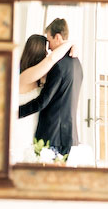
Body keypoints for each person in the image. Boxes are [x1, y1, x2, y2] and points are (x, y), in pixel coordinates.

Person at [19, 18, 84, 158]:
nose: (48, 49)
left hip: (52, 132)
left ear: (58, 37)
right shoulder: (77, 63)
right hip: (67, 133)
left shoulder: (58, 65)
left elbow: (43, 101)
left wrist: (15, 113)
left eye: (49, 40)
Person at [13, 34, 75, 162]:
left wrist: (73, 47)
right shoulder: (26, 75)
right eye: (46, 51)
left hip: (34, 128)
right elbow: (51, 60)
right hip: (21, 128)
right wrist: (70, 43)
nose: (48, 54)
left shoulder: (39, 77)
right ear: (38, 52)